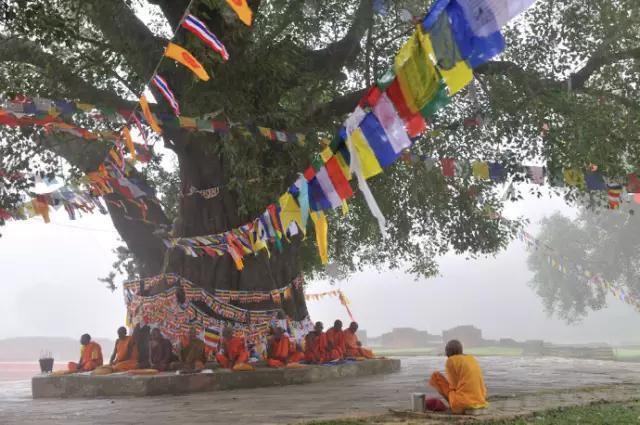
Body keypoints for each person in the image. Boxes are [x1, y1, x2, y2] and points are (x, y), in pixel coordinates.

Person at [428, 340, 488, 414]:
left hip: (464, 402)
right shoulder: (471, 358)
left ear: (449, 351)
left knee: (436, 376)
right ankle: (457, 404)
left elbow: (453, 385)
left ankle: (454, 406)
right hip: (481, 400)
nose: (446, 354)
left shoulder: (451, 361)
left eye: (446, 351)